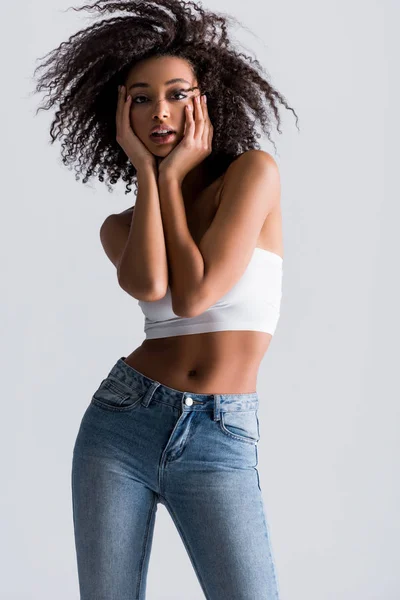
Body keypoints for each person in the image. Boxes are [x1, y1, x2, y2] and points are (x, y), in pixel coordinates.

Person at [33, 0, 299, 597]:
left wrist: (174, 177)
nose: (161, 112)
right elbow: (156, 286)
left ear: (208, 100)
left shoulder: (252, 175)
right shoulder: (118, 227)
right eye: (141, 98)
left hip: (219, 430)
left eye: (179, 94)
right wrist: (156, 175)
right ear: (119, 112)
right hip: (122, 423)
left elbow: (199, 293)